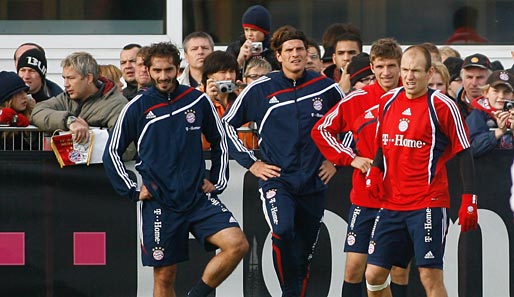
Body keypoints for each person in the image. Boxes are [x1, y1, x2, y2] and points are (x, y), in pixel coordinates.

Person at [102, 42, 248, 297]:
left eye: (168, 69)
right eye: (157, 70)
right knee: (165, 277)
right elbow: (112, 151)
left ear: (177, 68)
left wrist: (217, 180)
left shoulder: (197, 99)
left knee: (237, 244)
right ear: (147, 70)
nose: (163, 76)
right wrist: (134, 190)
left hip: (197, 198)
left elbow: (220, 141)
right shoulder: (137, 106)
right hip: (160, 203)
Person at [222, 25, 343, 296]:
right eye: (289, 50)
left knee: (304, 251)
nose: (296, 54)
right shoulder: (261, 89)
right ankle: (289, 291)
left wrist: (335, 161)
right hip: (279, 180)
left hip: (314, 181)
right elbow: (225, 126)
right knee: (283, 229)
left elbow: (352, 124)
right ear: (278, 55)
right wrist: (251, 162)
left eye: (300, 49)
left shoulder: (325, 87)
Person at [364, 45, 478, 297]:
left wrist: (469, 197)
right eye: (405, 70)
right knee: (373, 275)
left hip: (428, 202)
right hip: (392, 203)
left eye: (416, 70)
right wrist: (374, 169)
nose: (409, 76)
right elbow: (384, 141)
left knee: (429, 276)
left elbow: (464, 150)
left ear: (429, 73)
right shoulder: (387, 101)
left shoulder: (443, 106)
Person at [311, 38, 410, 297]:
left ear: (400, 67)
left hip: (403, 198)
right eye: (380, 66)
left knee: (398, 270)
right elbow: (321, 130)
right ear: (372, 68)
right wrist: (349, 157)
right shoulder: (359, 98)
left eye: (391, 66)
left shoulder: (414, 97)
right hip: (365, 196)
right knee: (354, 267)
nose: (386, 72)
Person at [31, 51, 128, 144]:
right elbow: (37, 112)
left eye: (71, 78)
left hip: (100, 161)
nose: (66, 84)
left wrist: (89, 135)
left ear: (89, 78)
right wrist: (69, 121)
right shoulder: (66, 98)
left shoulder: (116, 104)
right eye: (64, 78)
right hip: (65, 160)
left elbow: (125, 147)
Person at [200, 50, 256, 150]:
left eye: (232, 71)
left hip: (240, 159)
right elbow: (203, 142)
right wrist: (208, 103)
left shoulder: (241, 95)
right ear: (209, 75)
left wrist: (244, 103)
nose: (229, 77)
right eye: (223, 72)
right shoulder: (198, 98)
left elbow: (250, 142)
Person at [466, 70, 514, 157]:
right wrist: (499, 132)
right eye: (496, 91)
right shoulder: (477, 115)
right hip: (486, 168)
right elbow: (470, 149)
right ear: (485, 93)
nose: (501, 96)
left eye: (506, 92)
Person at [226, 4, 279, 77]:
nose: (249, 34)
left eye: (254, 30)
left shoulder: (274, 49)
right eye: (246, 30)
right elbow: (227, 78)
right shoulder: (235, 49)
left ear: (264, 32)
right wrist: (240, 61)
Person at [0, 71, 34, 150]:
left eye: (25, 92)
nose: (25, 96)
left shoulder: (31, 112)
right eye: (19, 93)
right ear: (7, 98)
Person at [455, 53, 492, 118]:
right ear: (462, 80)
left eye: (480, 77)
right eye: (469, 77)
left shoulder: (499, 106)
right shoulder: (453, 106)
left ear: (489, 80)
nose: (474, 83)